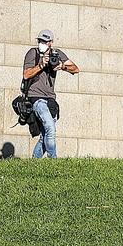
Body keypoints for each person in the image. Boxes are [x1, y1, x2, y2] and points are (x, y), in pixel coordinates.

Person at [21, 30, 78, 158]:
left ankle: (34, 163)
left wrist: (62, 66)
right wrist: (41, 65)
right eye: (40, 41)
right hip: (36, 97)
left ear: (51, 43)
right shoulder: (33, 53)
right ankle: (53, 161)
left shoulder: (56, 54)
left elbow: (76, 69)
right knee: (50, 129)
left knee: (45, 135)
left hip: (50, 98)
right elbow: (26, 74)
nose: (42, 44)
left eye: (45, 42)